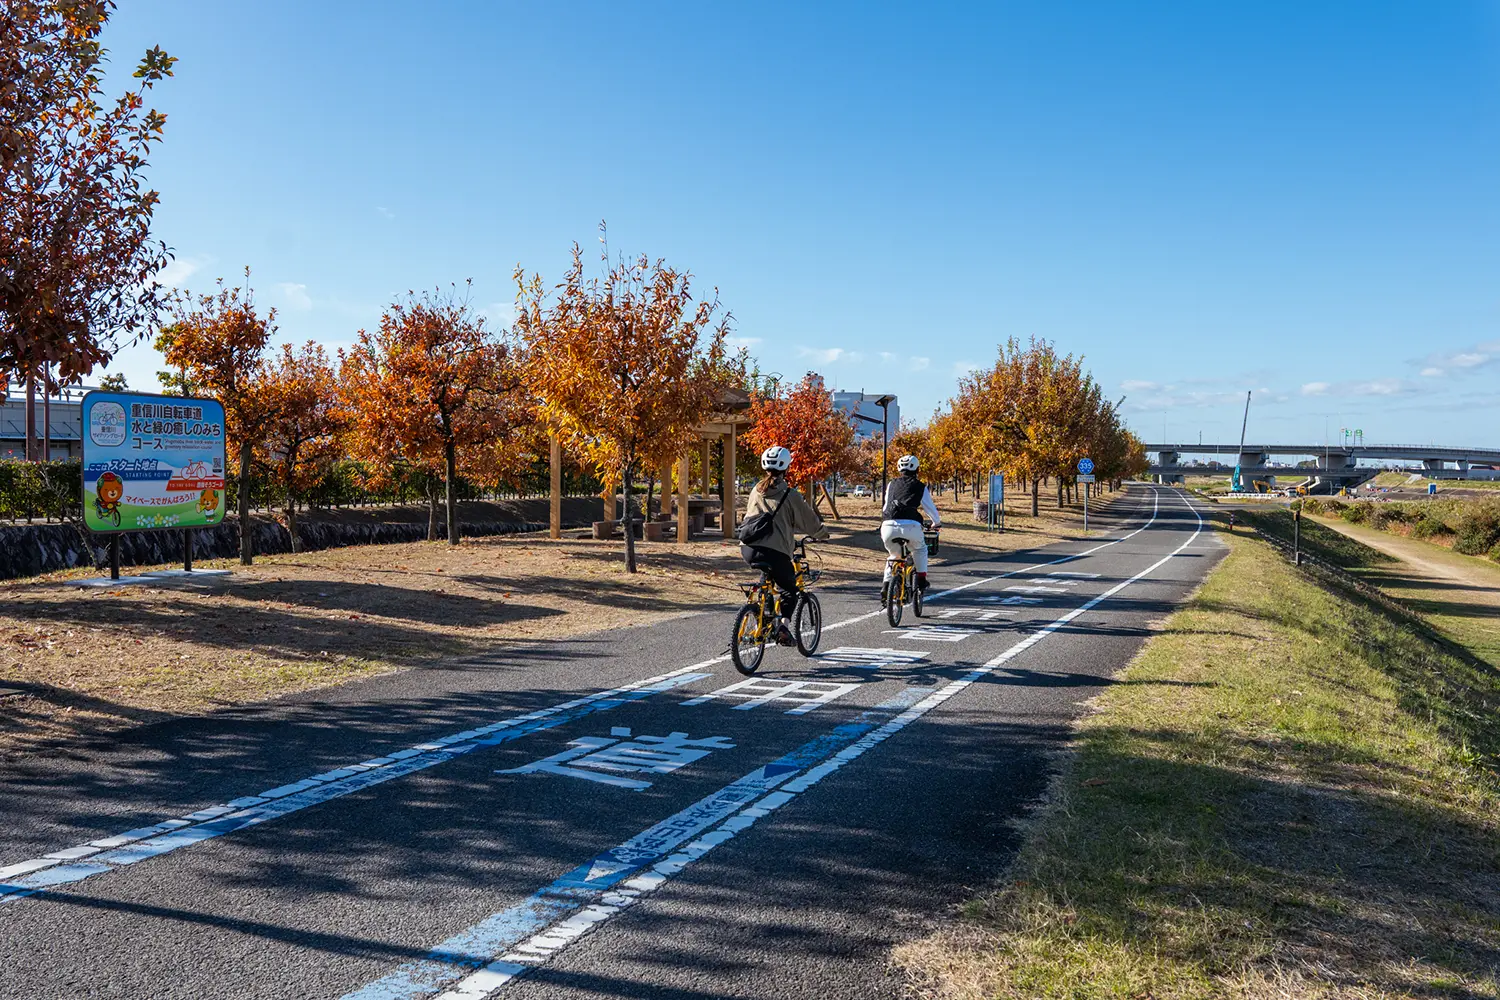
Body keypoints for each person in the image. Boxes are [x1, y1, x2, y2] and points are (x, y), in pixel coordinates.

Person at [741, 446, 828, 643]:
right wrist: (822, 534)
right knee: (790, 590)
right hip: (775, 551)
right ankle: (783, 627)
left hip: (748, 549)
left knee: (768, 580)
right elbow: (809, 522)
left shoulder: (756, 490)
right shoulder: (791, 495)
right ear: (786, 468)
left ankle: (764, 617)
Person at [880, 454, 942, 602]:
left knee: (894, 556)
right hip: (911, 525)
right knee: (920, 549)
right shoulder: (920, 486)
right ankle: (921, 579)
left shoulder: (891, 484)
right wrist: (936, 523)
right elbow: (929, 508)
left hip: (888, 525)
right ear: (917, 469)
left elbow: (885, 505)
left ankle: (886, 586)